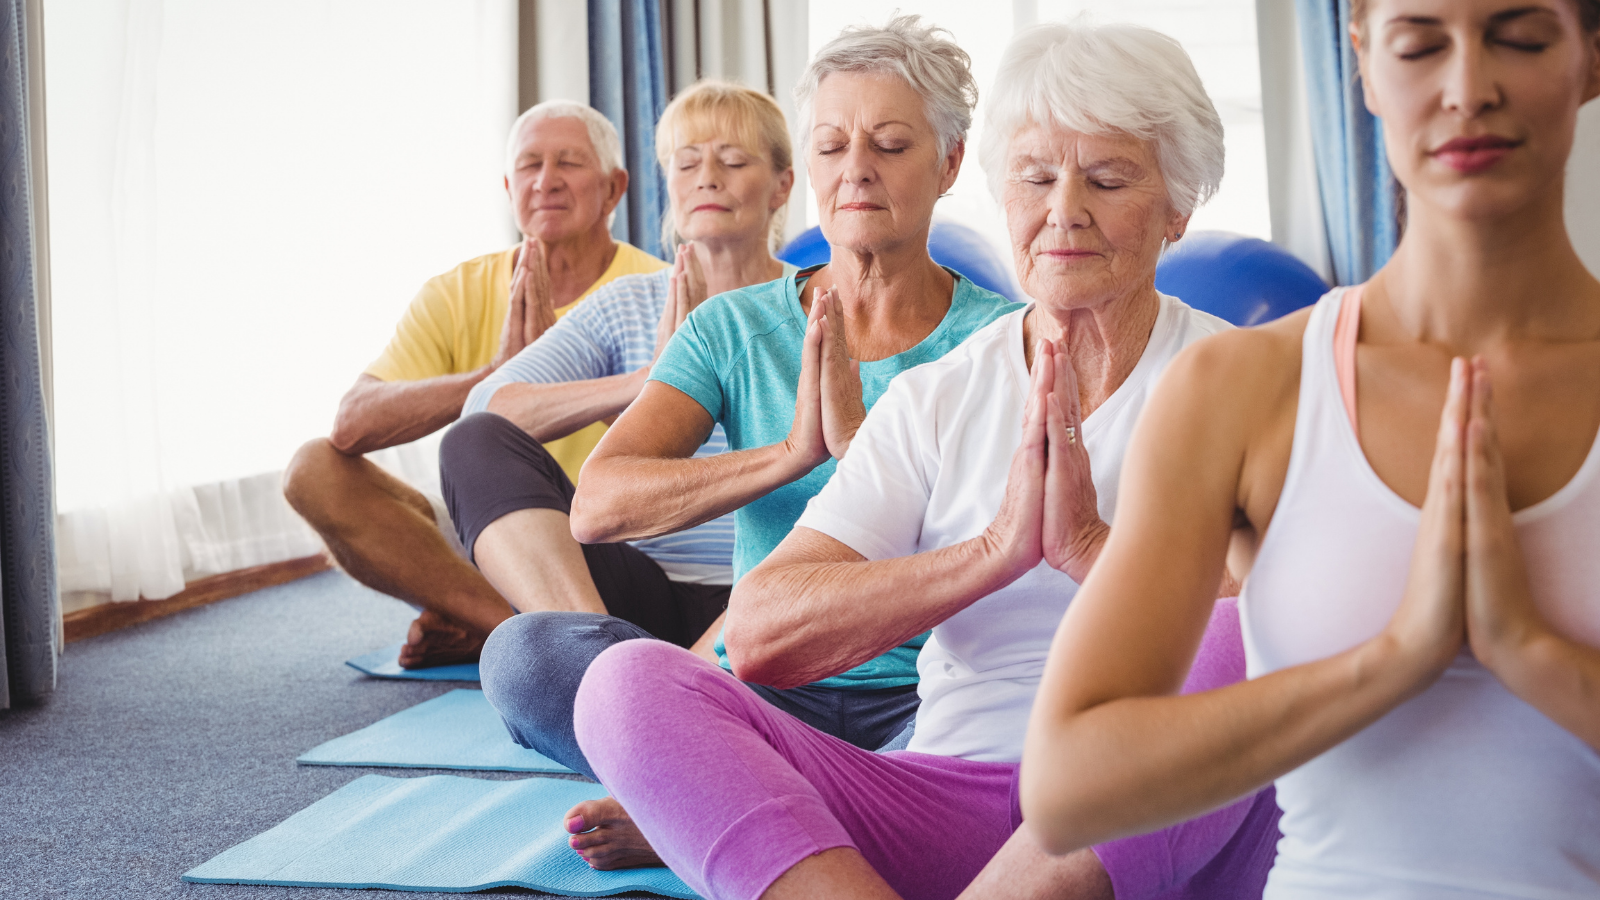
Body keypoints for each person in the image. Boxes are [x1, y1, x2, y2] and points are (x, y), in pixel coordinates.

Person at [569, 21, 1282, 900]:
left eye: (1105, 178)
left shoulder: (1252, 381)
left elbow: (1317, 627)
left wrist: (1091, 548)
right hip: (952, 795)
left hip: (1160, 806)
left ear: (1178, 207)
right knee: (625, 684)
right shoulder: (940, 396)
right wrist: (991, 554)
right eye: (1035, 177)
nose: (1063, 210)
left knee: (1245, 637)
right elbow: (758, 636)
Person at [1020, 1, 1600, 898]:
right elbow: (1066, 789)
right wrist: (1393, 659)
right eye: (1420, 45)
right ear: (1364, 64)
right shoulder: (1244, 388)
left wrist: (1528, 651)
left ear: (1590, 59)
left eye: (1519, 38)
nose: (1467, 88)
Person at [543, 15, 1017, 871]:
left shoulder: (1003, 341)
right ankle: (773, 785)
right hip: (761, 684)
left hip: (922, 695)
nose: (857, 169)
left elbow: (1007, 542)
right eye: (832, 146)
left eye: (892, 144)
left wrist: (861, 449)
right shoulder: (733, 325)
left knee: (1001, 757)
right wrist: (793, 453)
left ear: (948, 164)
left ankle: (705, 794)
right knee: (532, 660)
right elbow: (598, 505)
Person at [448, 79, 797, 762]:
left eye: (733, 161)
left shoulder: (815, 307)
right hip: (642, 600)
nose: (707, 179)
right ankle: (605, 671)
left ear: (782, 186)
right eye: (688, 163)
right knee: (475, 445)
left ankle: (651, 732)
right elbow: (485, 407)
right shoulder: (628, 306)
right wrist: (647, 381)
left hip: (771, 594)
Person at [282, 101, 665, 669]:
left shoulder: (654, 289)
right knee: (313, 468)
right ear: (510, 187)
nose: (546, 180)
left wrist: (562, 376)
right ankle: (500, 624)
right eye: (530, 165)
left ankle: (514, 624)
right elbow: (351, 423)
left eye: (569, 163)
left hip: (609, 540)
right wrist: (497, 376)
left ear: (614, 189)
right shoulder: (456, 290)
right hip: (488, 527)